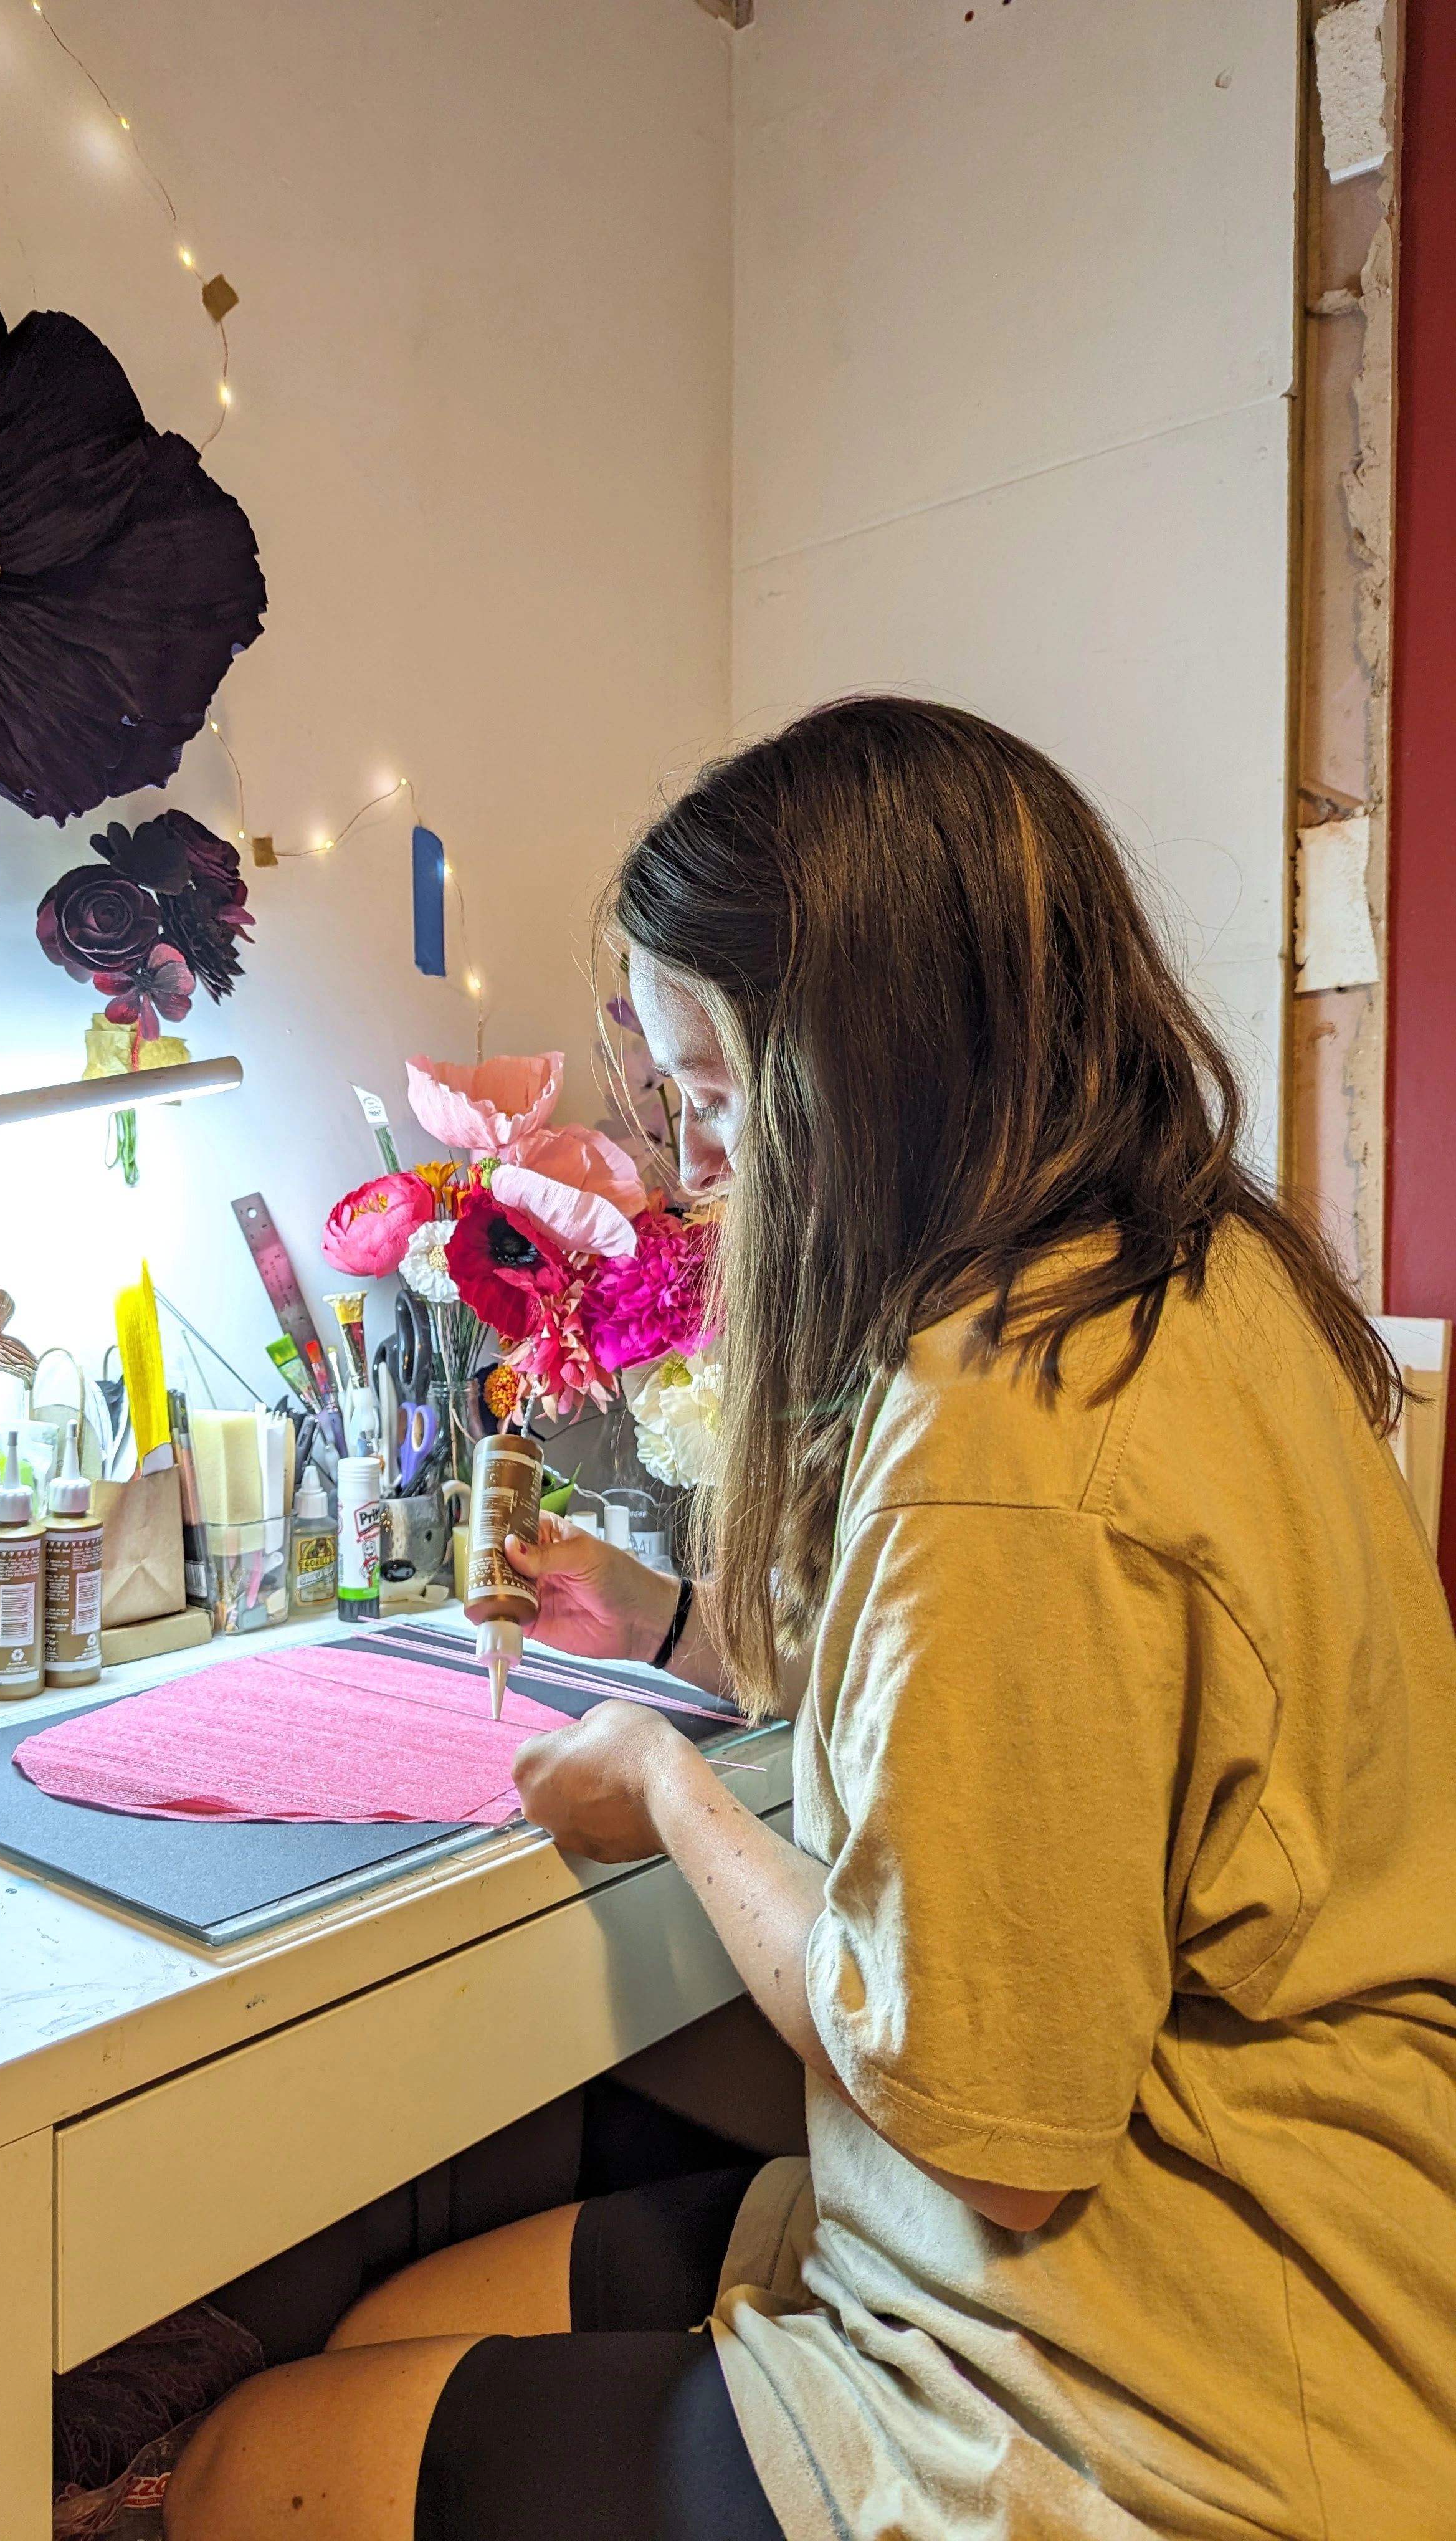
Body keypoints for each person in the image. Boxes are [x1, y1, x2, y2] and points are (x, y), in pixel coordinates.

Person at [166, 698, 1456, 2540]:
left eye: (710, 1098)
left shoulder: (1005, 1442)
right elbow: (1005, 1707)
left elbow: (980, 2135)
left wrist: (671, 1794)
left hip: (1160, 2380)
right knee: (400, 2317)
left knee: (246, 2466)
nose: (702, 1166)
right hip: (1285, 2232)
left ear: (855, 1069)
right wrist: (666, 1620)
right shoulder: (1189, 1272)